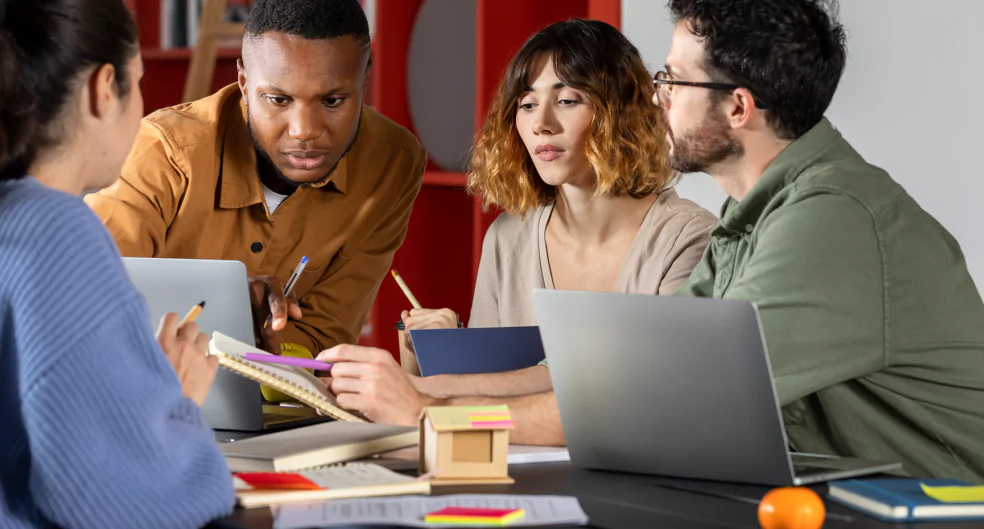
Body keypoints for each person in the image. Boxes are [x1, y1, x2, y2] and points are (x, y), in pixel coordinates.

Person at [317, 19, 717, 444]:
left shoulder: (688, 240)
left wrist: (421, 396)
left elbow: (630, 400)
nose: (541, 123)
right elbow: (491, 391)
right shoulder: (507, 238)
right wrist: (435, 355)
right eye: (526, 105)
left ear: (623, 112)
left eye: (567, 99)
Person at [655, 0, 984, 481]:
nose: (657, 97)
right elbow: (654, 353)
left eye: (671, 81)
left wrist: (503, 420)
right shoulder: (755, 215)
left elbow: (680, 394)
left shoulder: (833, 215)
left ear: (738, 107)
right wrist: (503, 394)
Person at [0, 0, 235, 526]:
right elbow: (125, 501)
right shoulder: (55, 232)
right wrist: (174, 407)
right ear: (103, 89)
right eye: (140, 81)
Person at [84, 0, 427, 401]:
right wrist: (230, 319)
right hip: (135, 404)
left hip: (282, 422)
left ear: (364, 79)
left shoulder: (393, 164)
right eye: (278, 100)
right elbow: (86, 308)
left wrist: (261, 338)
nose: (304, 132)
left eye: (332, 101)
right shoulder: (163, 152)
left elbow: (324, 343)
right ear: (244, 82)